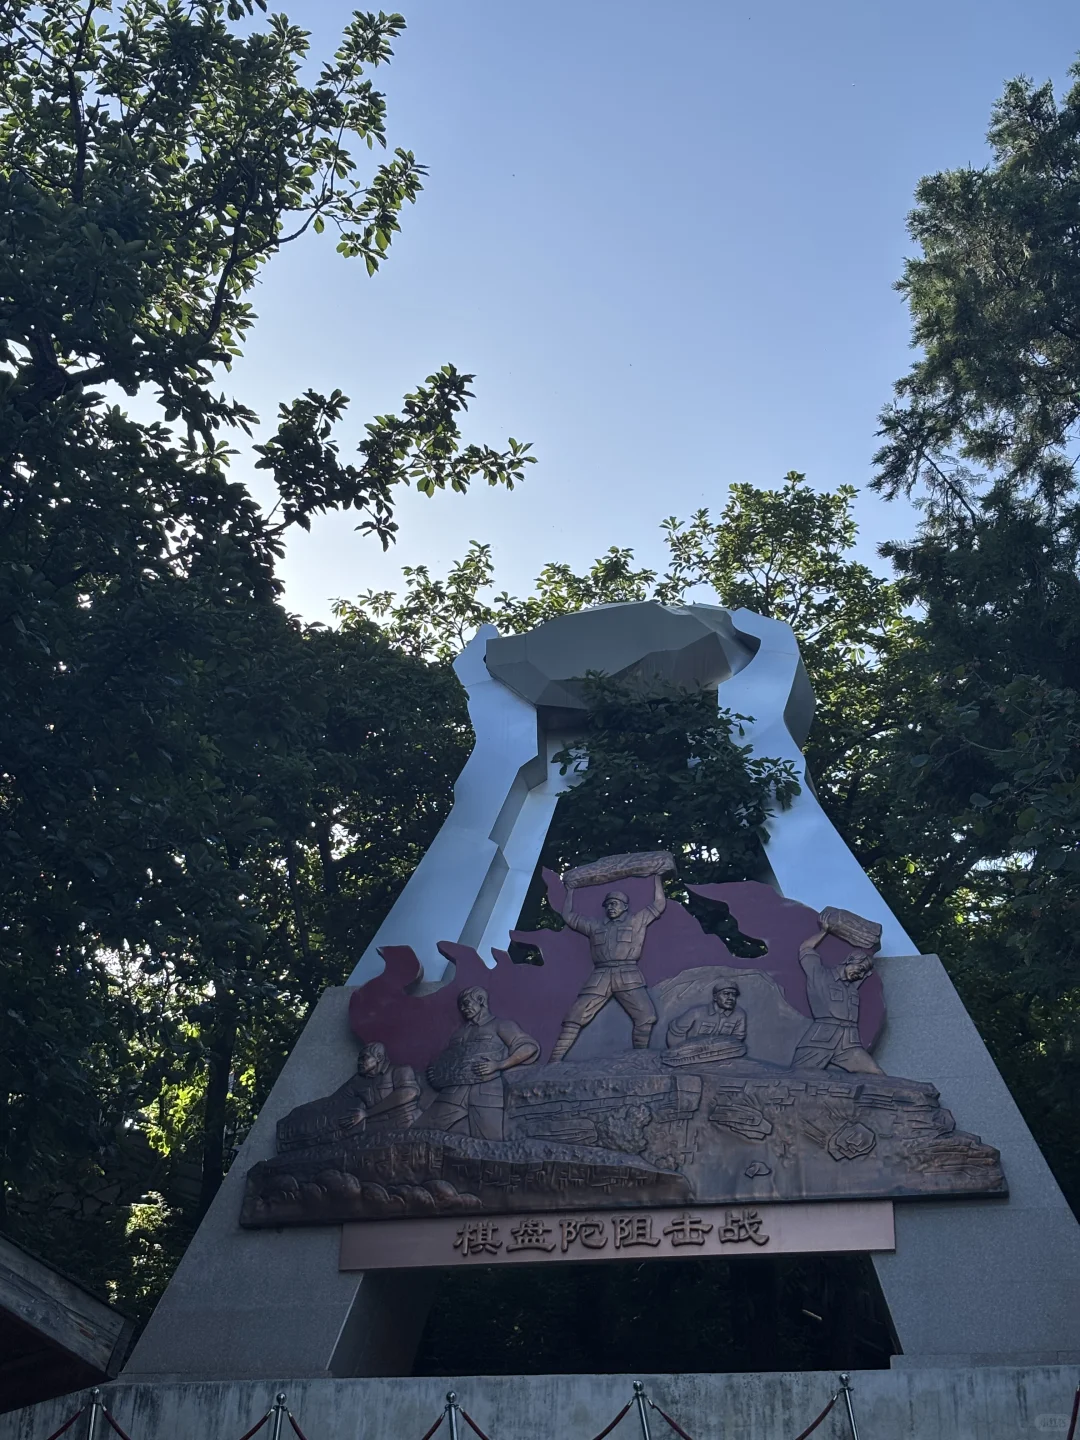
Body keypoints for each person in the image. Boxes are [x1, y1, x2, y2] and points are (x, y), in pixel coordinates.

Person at [549, 874, 666, 1062]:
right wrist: (570, 891)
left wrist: (657, 876)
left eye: (615, 904)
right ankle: (554, 1060)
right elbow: (569, 916)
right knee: (575, 1015)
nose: (611, 907)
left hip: (628, 974)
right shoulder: (594, 926)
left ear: (625, 907)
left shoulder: (636, 921)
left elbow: (659, 904)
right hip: (601, 975)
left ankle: (640, 1058)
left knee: (646, 1016)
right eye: (608, 904)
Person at [419, 986, 539, 1141]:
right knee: (424, 1129)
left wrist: (499, 1065)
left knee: (491, 1140)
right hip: (454, 1091)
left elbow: (528, 1048)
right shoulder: (459, 1033)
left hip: (486, 1090)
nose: (463, 1009)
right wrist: (438, 1074)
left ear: (481, 1000)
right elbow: (450, 1060)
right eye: (461, 1006)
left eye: (466, 1003)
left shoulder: (501, 1025)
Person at [275, 1041, 420, 1153]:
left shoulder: (400, 1070)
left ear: (379, 1058)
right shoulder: (358, 1081)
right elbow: (333, 1101)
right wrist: (302, 1112)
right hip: (372, 1128)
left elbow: (409, 1093)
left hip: (404, 1123)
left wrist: (367, 1114)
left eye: (364, 1058)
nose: (360, 1062)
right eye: (359, 1059)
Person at [791, 938, 882, 1073]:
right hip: (822, 1040)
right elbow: (806, 949)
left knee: (876, 1074)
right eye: (860, 969)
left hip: (849, 1044)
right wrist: (826, 931)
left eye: (864, 973)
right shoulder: (820, 975)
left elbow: (866, 973)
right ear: (849, 960)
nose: (861, 975)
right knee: (797, 1075)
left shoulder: (852, 987)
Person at [666, 980, 747, 1059]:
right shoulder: (696, 1012)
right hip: (690, 1057)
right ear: (715, 997)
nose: (731, 998)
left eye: (734, 995)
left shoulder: (739, 1015)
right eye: (726, 994)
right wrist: (678, 1054)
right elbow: (675, 1032)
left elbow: (737, 1038)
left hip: (720, 1057)